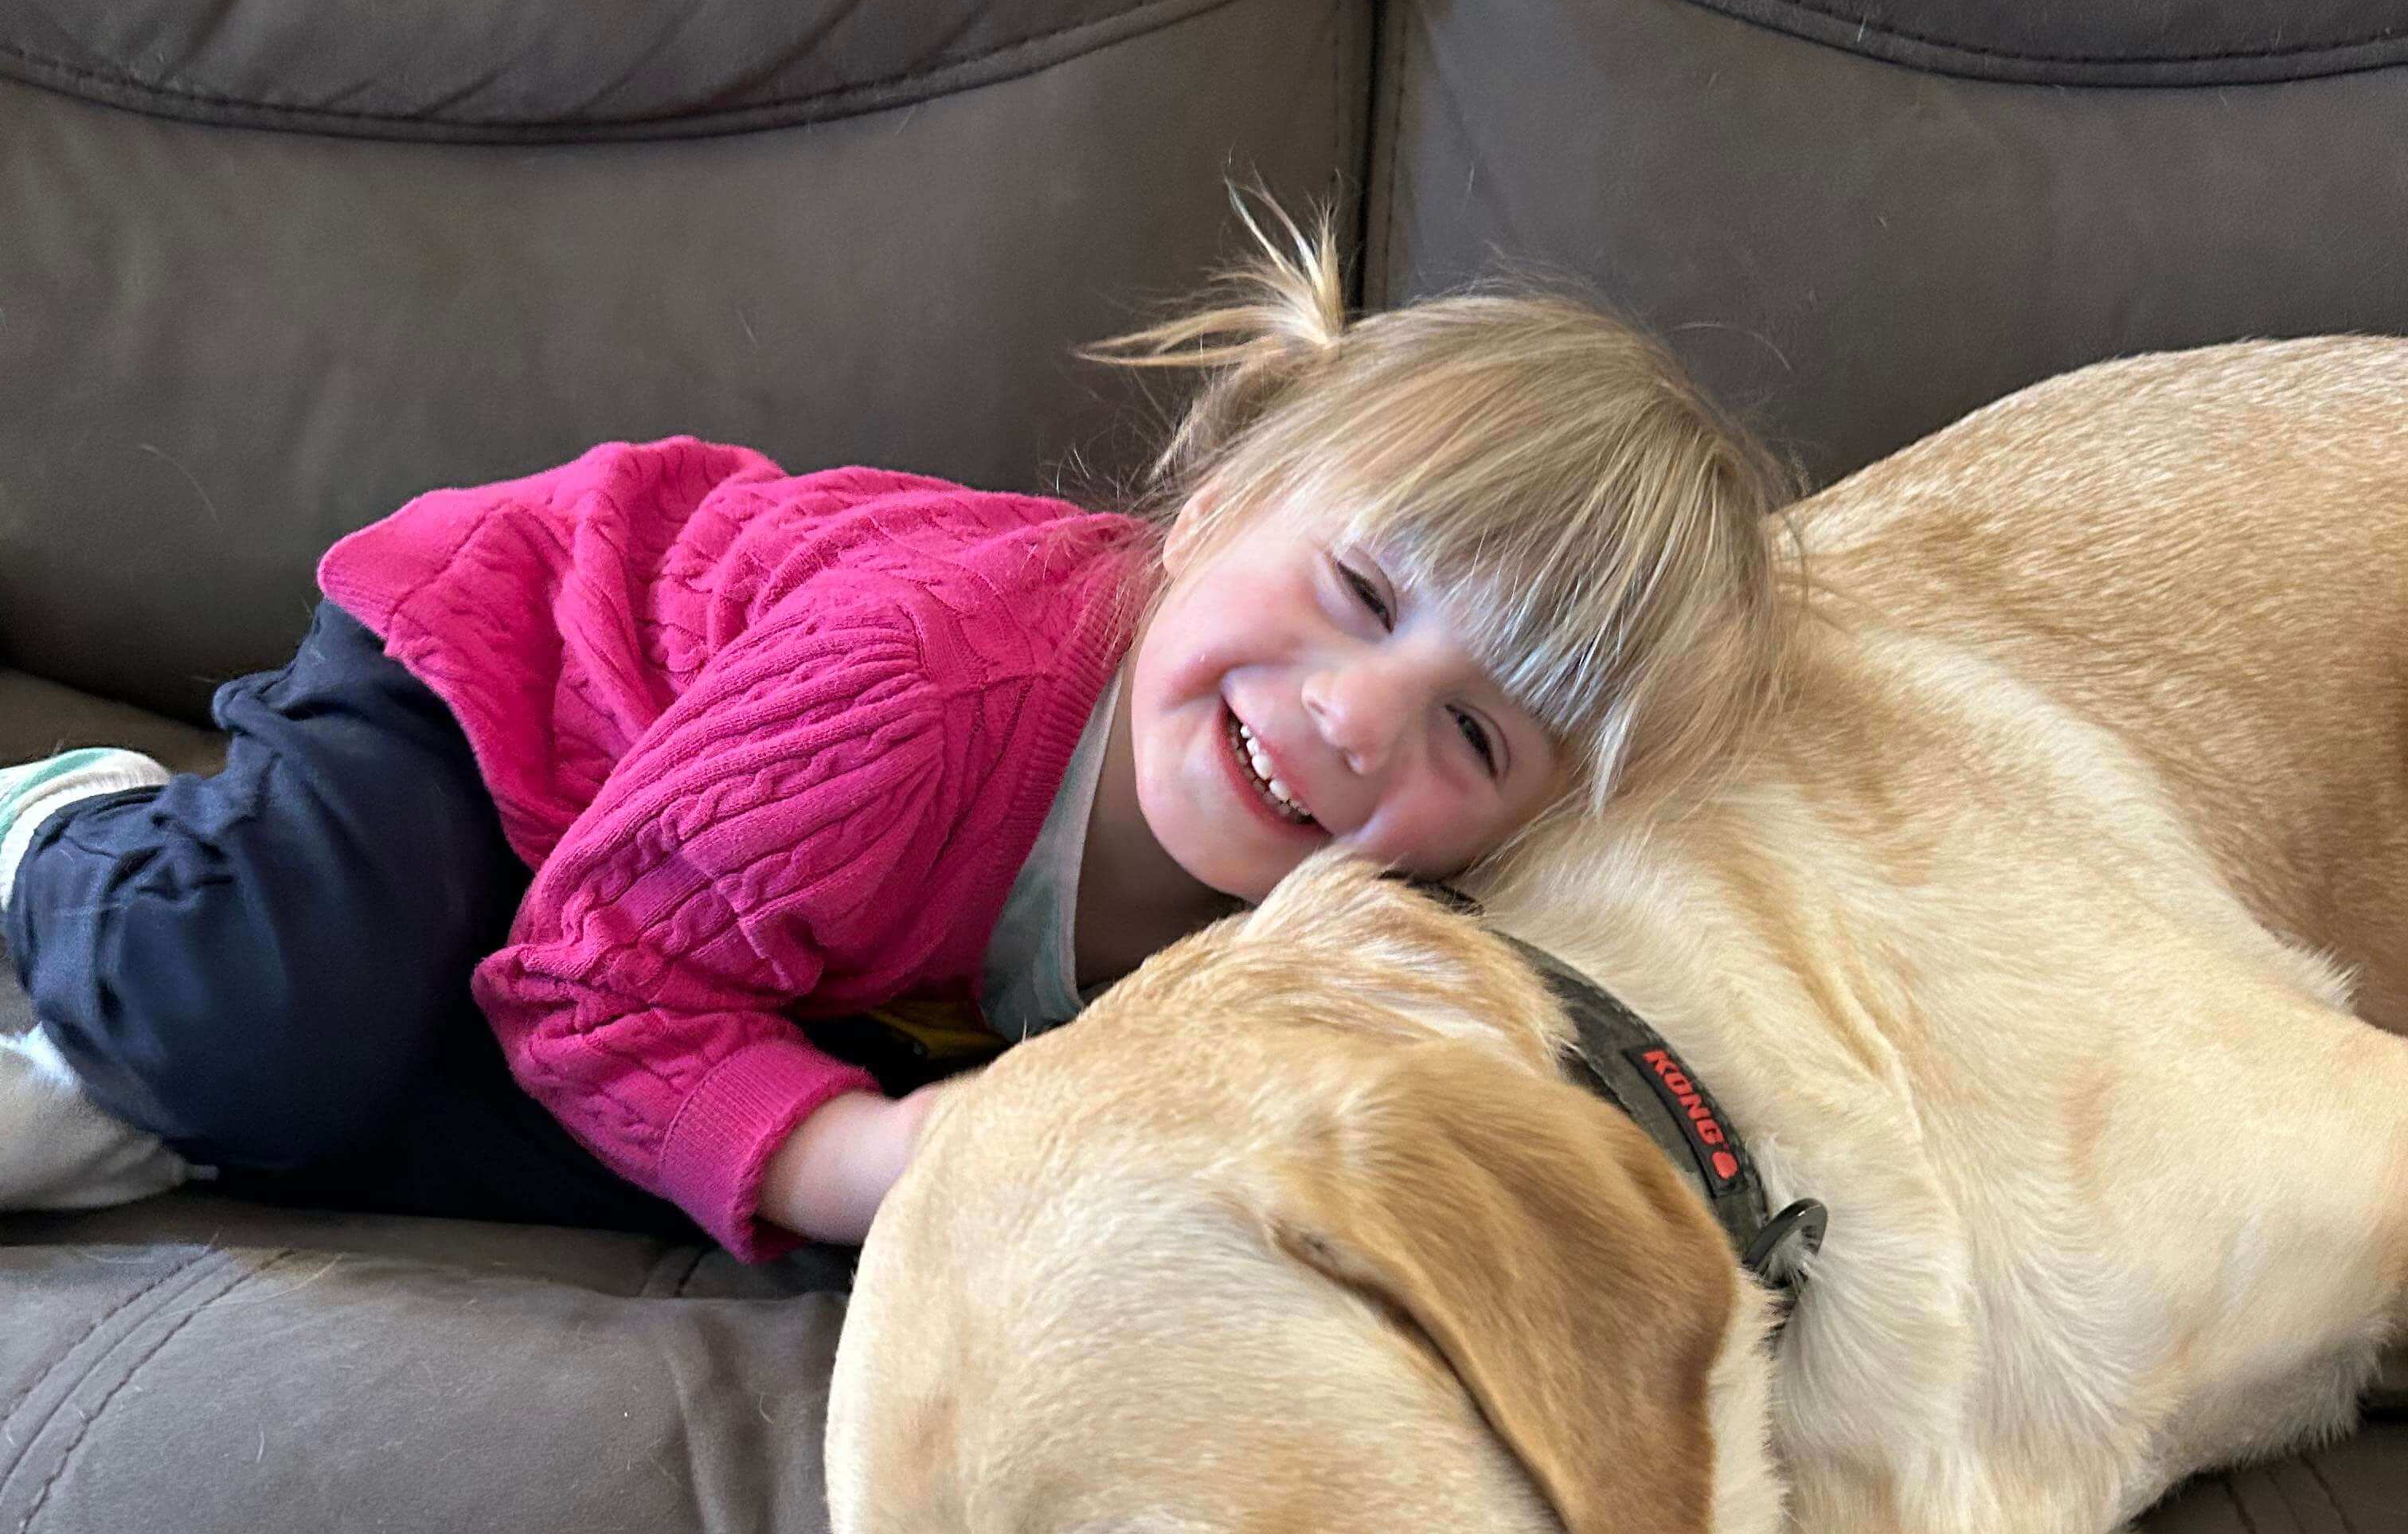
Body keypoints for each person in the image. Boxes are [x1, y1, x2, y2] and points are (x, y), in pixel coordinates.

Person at [0, 211, 1792, 1254]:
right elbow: (584, 985)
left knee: (700, 1168)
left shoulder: (1340, 914)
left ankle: (214, 1108)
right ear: (1224, 495)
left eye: (1472, 735)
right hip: (511, 687)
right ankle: (77, 836)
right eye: (1359, 595)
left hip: (744, 906)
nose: (1350, 721)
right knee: (264, 1018)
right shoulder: (925, 688)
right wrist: (874, 1163)